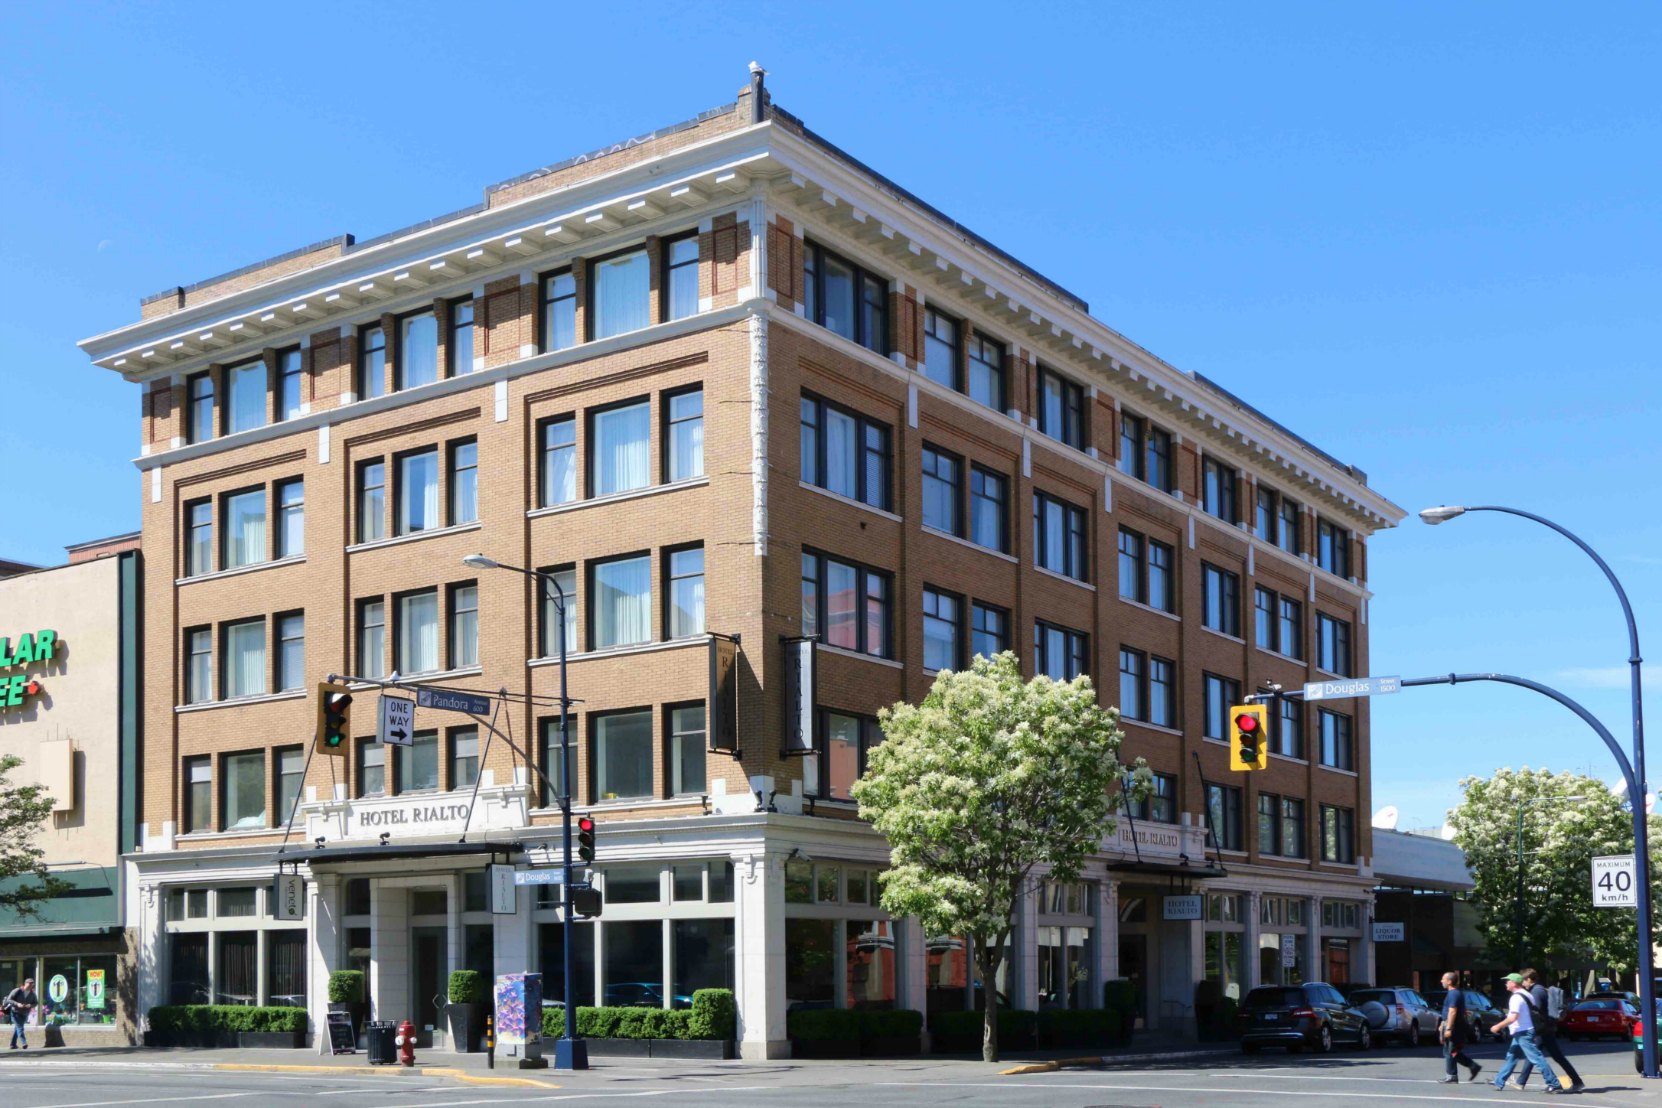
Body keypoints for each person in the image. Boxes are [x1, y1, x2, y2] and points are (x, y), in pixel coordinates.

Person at [1491, 971, 1566, 1094]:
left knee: (1536, 1058)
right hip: (1523, 1030)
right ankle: (1499, 1081)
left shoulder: (1515, 998)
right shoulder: (1527, 994)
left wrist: (1497, 1026)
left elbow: (1513, 1017)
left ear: (1514, 983)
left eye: (1508, 981)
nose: (1505, 983)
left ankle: (1554, 1083)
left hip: (1523, 1032)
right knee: (1512, 1056)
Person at [1511, 967, 1584, 1092]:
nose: (1522, 984)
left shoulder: (1536, 991)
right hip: (1547, 1027)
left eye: (1523, 981)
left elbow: (1536, 1010)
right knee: (1552, 1056)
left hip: (1541, 1028)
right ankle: (1577, 1081)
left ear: (1528, 979)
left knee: (1534, 1055)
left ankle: (1524, 1082)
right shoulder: (1540, 989)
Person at [1437, 971, 1482, 1083]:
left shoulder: (1453, 993)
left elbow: (1452, 1011)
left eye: (1443, 979)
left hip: (1454, 1026)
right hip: (1453, 1024)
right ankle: (1453, 1075)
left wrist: (1448, 1028)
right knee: (1449, 1051)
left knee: (1451, 1051)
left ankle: (1470, 1067)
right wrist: (1442, 1025)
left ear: (1449, 981)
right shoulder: (1455, 993)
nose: (1441, 981)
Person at [5, 977, 38, 1050]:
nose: (31, 985)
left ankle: (12, 1044)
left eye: (32, 984)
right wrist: (17, 1004)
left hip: (24, 1013)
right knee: (20, 1028)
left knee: (18, 1028)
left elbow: (35, 1002)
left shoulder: (32, 994)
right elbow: (9, 1000)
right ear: (25, 983)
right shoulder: (18, 990)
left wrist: (30, 1005)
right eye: (30, 983)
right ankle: (24, 1043)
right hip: (15, 1012)